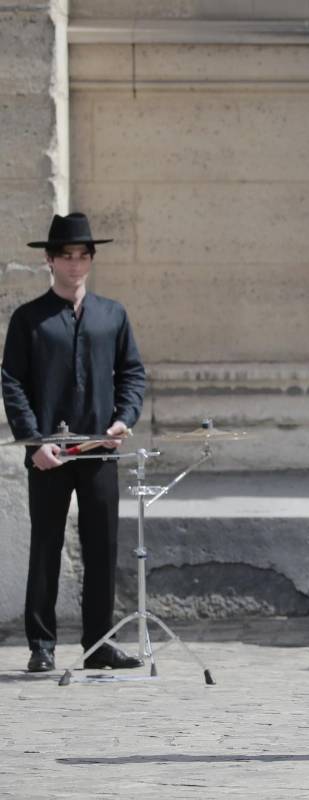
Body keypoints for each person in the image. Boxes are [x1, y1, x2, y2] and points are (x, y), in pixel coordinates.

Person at [2, 213, 147, 674]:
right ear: (49, 260)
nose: (76, 263)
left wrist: (124, 417)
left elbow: (132, 373)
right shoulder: (29, 319)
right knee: (45, 545)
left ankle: (99, 643)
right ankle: (41, 646)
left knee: (103, 546)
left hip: (101, 450)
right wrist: (34, 444)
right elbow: (12, 383)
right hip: (50, 452)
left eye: (83, 255)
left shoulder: (113, 314)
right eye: (67, 255)